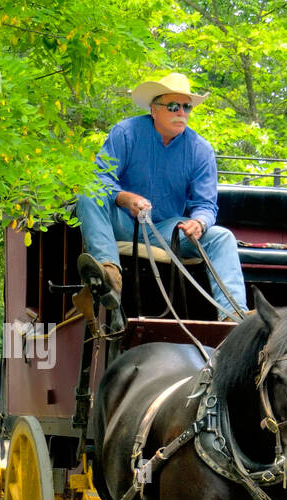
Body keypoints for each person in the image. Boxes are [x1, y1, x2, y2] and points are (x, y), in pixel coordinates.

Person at [75, 72, 246, 321]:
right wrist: (125, 198)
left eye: (187, 107)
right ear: (154, 110)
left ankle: (233, 317)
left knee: (222, 238)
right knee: (88, 193)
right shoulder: (125, 133)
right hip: (121, 223)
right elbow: (100, 179)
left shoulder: (201, 150)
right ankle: (109, 274)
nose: (182, 113)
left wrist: (198, 222)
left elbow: (206, 204)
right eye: (174, 106)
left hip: (167, 231)